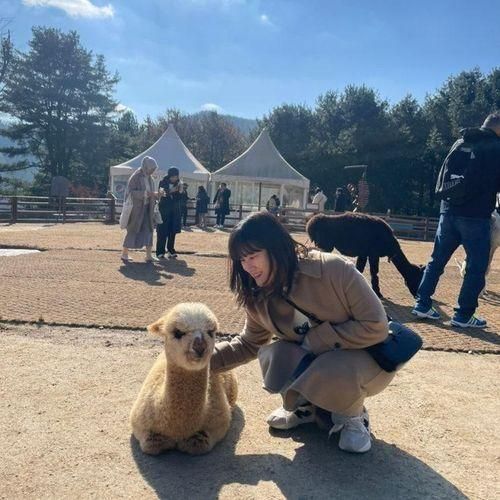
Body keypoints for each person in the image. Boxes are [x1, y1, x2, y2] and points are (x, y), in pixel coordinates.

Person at [211, 211, 396, 453]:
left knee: (332, 366)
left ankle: (352, 416)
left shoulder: (333, 269)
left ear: (275, 248)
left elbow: (376, 325)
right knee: (274, 354)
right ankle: (304, 407)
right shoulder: (256, 294)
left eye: (253, 256)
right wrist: (199, 361)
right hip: (317, 359)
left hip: (364, 359)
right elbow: (249, 344)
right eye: (241, 260)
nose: (248, 267)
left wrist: (315, 340)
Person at [412, 112, 500, 328]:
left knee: (436, 261)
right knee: (476, 266)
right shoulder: (495, 148)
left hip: (448, 210)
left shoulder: (461, 141)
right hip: (476, 216)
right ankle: (463, 314)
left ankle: (422, 304)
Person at [121, 156, 159, 263]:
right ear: (146, 167)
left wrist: (157, 195)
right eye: (152, 168)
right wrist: (147, 194)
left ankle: (148, 255)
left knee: (149, 230)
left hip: (148, 208)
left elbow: (151, 193)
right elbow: (131, 192)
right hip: (136, 209)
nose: (153, 171)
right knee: (133, 229)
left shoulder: (150, 178)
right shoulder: (135, 177)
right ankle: (125, 253)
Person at [156, 166, 183, 259]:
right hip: (164, 210)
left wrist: (180, 191)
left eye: (176, 176)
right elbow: (161, 194)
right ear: (169, 175)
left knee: (172, 231)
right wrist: (172, 190)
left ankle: (171, 250)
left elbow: (180, 198)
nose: (174, 178)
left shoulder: (179, 183)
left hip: (174, 211)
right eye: (173, 176)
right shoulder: (163, 182)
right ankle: (160, 251)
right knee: (162, 231)